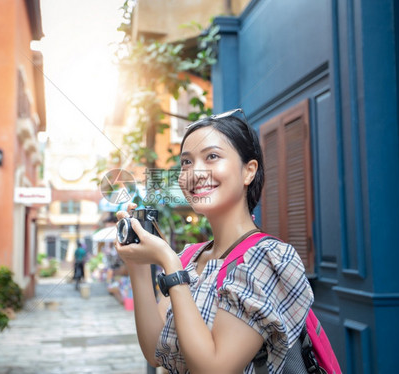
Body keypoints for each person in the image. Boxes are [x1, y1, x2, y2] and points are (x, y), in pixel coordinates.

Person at [115, 109, 314, 373]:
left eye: (212, 157)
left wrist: (168, 262)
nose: (195, 172)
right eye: (186, 162)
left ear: (248, 171)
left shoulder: (268, 257)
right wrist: (137, 265)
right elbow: (156, 352)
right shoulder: (189, 257)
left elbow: (213, 369)